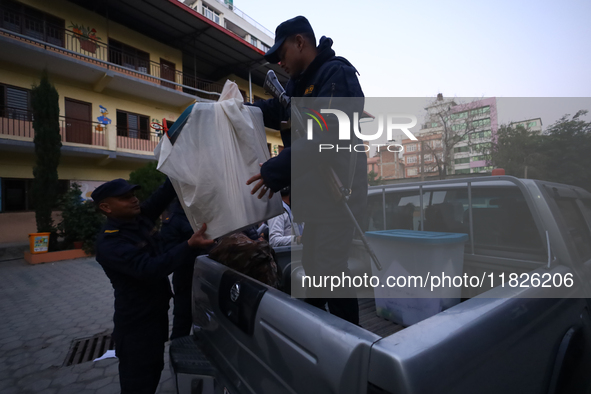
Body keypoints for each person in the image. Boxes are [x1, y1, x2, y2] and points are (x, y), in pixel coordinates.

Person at [246, 16, 367, 325]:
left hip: (338, 198)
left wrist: (275, 169)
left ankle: (355, 349)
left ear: (300, 42)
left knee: (331, 276)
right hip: (314, 203)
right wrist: (238, 110)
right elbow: (275, 111)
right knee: (314, 274)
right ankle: (314, 340)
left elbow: (327, 133)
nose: (278, 61)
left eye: (281, 53)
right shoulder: (296, 86)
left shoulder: (337, 75)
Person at [93, 178, 214, 394]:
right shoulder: (111, 243)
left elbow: (163, 194)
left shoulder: (138, 219)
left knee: (154, 369)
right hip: (136, 325)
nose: (133, 200)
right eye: (124, 198)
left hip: (155, 317)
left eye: (133, 195)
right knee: (139, 382)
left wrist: (176, 165)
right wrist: (189, 245)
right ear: (106, 207)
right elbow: (151, 269)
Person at [160, 198, 209, 340]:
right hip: (186, 280)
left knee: (208, 322)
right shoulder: (173, 220)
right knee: (183, 322)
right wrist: (191, 246)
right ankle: (178, 355)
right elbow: (170, 255)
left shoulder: (202, 213)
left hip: (207, 279)